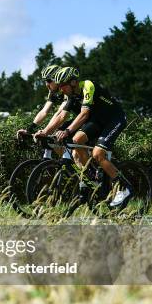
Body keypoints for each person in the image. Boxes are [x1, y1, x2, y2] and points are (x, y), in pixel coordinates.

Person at [52, 66, 132, 208]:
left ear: (73, 82)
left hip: (114, 118)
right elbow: (62, 116)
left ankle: (124, 188)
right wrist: (45, 132)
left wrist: (67, 131)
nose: (61, 89)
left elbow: (84, 115)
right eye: (59, 87)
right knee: (76, 141)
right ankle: (93, 177)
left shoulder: (88, 86)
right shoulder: (72, 96)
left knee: (98, 153)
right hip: (99, 121)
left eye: (63, 86)